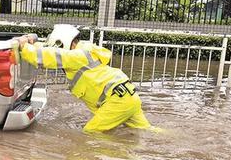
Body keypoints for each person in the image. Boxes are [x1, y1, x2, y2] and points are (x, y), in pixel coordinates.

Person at [18, 24, 153, 133]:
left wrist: (24, 47)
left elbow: (50, 56)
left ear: (63, 42)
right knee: (146, 131)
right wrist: (33, 44)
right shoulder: (83, 51)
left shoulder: (76, 56)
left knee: (91, 133)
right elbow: (51, 51)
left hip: (116, 100)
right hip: (128, 95)